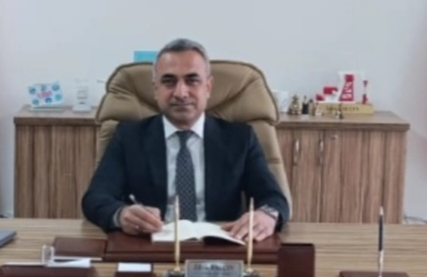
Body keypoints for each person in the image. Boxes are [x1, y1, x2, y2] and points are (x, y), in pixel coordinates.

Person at [81, 38, 289, 242]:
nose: (181, 93)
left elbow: (273, 198)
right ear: (155, 89)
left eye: (192, 80)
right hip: (150, 246)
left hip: (218, 248)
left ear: (208, 87)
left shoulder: (240, 139)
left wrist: (266, 215)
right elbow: (96, 198)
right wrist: (121, 214)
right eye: (169, 81)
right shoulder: (129, 137)